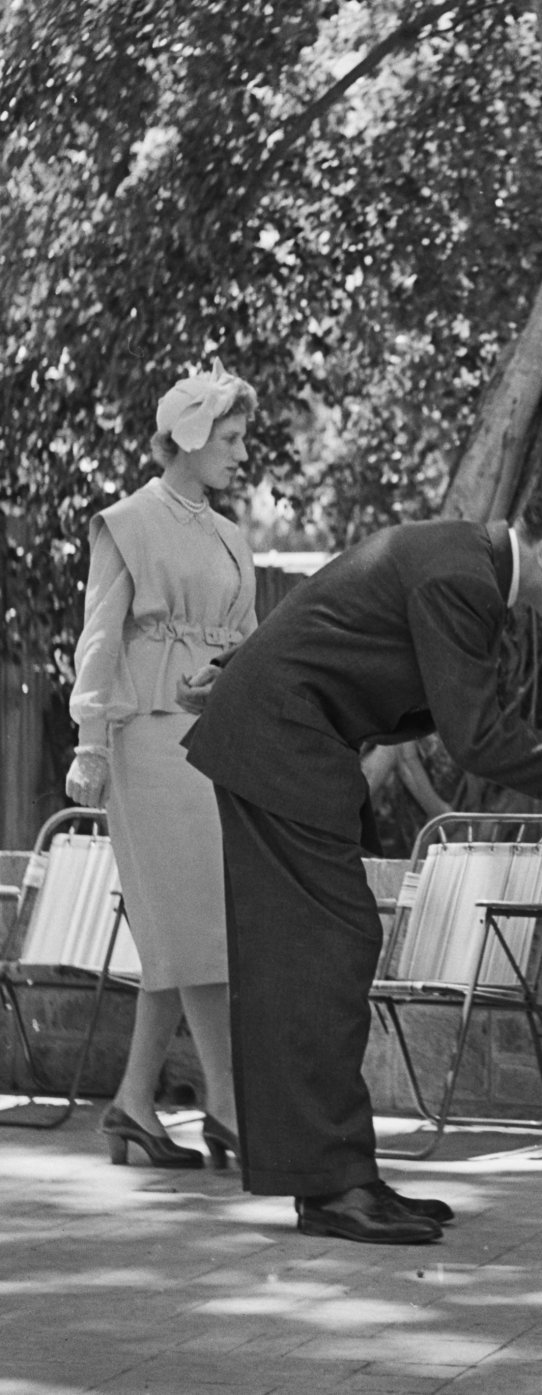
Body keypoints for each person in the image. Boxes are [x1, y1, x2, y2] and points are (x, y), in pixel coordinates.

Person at [178, 486, 542, 1246]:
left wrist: (235, 664)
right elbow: (475, 736)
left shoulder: (463, 561)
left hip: (284, 739)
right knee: (320, 957)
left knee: (320, 955)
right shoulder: (463, 575)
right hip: (279, 743)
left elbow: (336, 607)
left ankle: (340, 1177)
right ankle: (332, 1186)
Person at [64, 360, 258, 1171]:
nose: (245, 452)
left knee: (183, 931)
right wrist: (88, 739)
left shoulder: (230, 535)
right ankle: (229, 1106)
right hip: (146, 739)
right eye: (233, 435)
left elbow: (247, 641)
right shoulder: (128, 520)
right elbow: (101, 637)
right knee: (198, 926)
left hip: (213, 747)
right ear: (188, 433)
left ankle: (134, 1104)